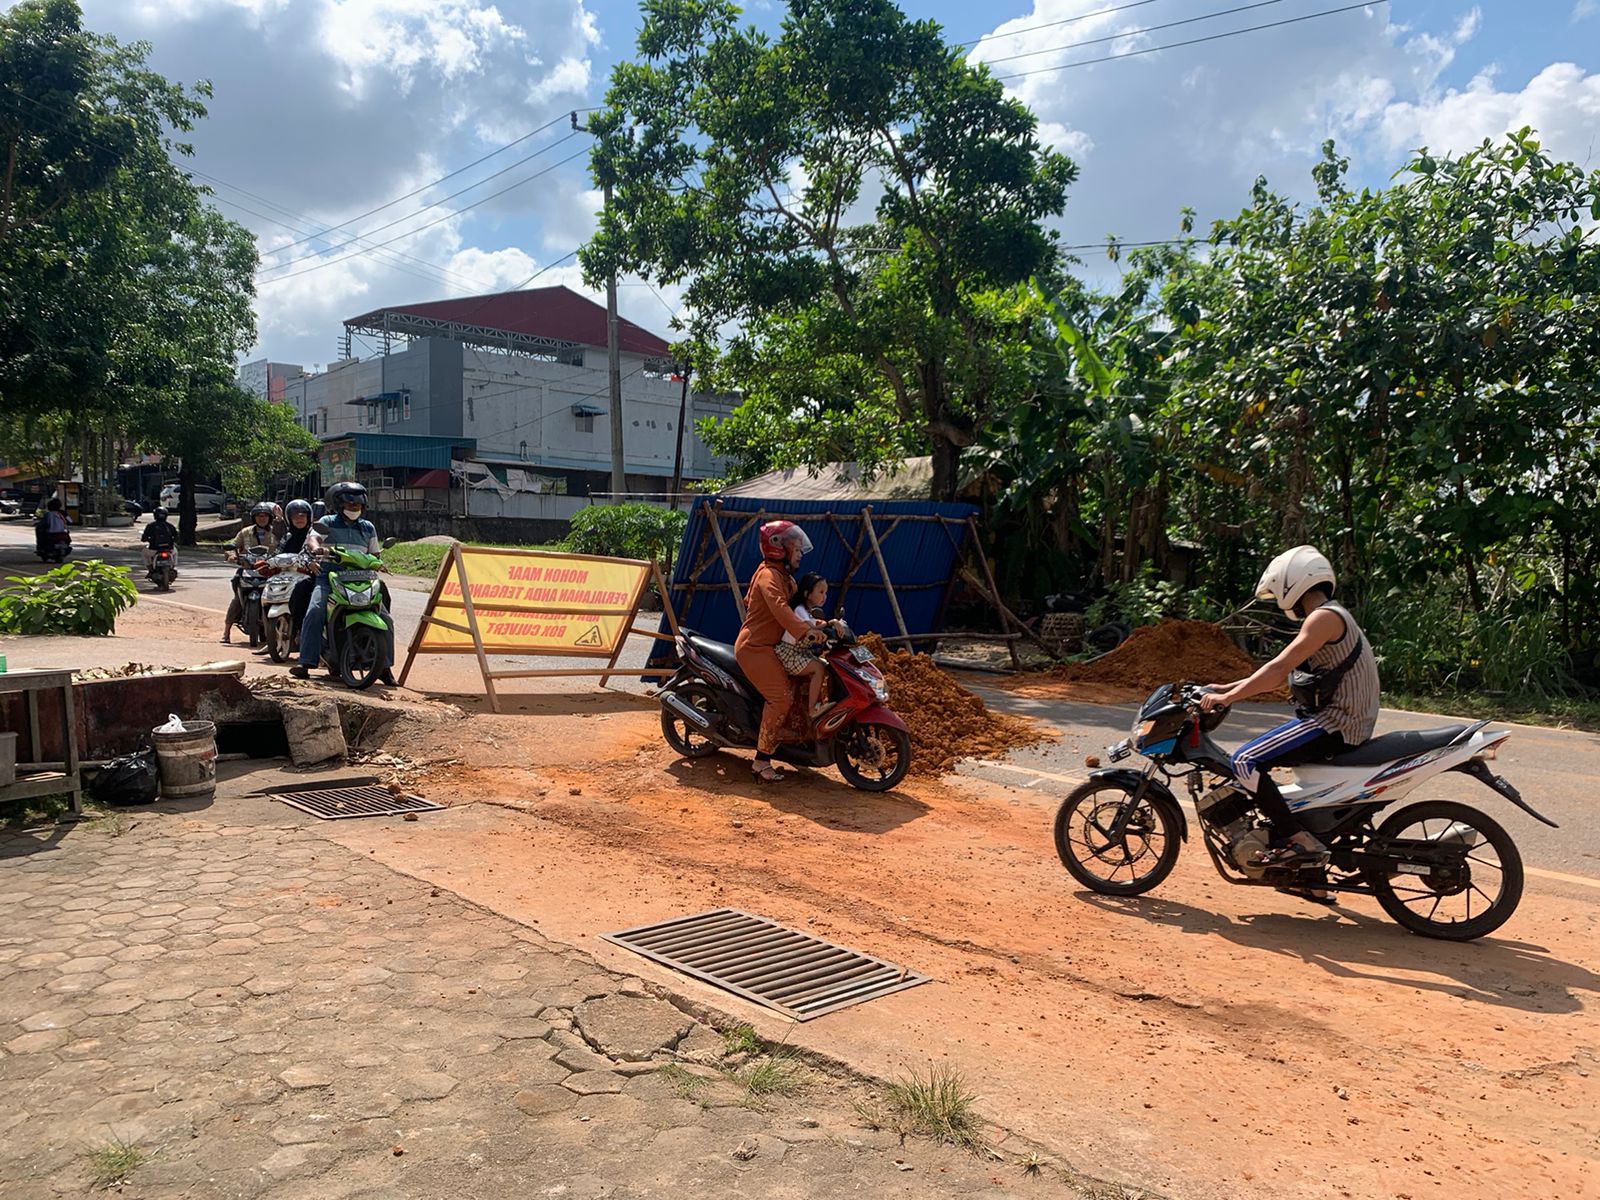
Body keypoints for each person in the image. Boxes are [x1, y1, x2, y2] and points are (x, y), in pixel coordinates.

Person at [1200, 545, 1380, 867]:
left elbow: (1277, 670)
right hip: (1345, 720)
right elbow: (1281, 668)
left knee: (1244, 761)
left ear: (1293, 583)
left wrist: (1228, 698)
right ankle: (1312, 879)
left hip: (1336, 723)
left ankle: (1295, 840)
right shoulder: (1331, 615)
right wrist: (1228, 687)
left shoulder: (1323, 618)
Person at [734, 521, 826, 784]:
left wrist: (824, 626)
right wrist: (805, 632)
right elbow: (780, 610)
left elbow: (798, 612)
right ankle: (761, 761)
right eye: (796, 550)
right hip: (756, 648)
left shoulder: (786, 578)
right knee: (781, 699)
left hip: (774, 647)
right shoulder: (768, 576)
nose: (799, 555)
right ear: (779, 548)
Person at [291, 482, 395, 686]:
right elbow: (313, 540)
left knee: (385, 618)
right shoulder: (326, 522)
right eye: (351, 506)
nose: (355, 510)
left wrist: (378, 562)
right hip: (330, 577)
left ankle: (384, 667)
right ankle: (306, 662)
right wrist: (317, 549)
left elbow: (374, 554)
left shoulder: (368, 527)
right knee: (315, 610)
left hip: (362, 579)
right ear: (339, 505)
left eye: (358, 507)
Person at [776, 572, 844, 720]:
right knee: (818, 669)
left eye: (826, 592)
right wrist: (831, 623)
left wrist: (833, 623)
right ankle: (813, 709)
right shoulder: (800, 610)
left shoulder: (810, 612)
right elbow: (810, 626)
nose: (824, 596)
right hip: (790, 654)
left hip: (801, 652)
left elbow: (817, 622)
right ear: (807, 594)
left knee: (827, 665)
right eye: (821, 592)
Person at [222, 502, 280, 644]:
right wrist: (232, 556)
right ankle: (226, 631)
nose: (262, 519)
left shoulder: (276, 533)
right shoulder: (245, 532)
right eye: (259, 516)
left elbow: (283, 547)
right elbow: (232, 545)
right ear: (254, 518)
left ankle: (277, 633)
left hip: (268, 571)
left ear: (270, 518)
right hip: (247, 569)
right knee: (237, 599)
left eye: (265, 516)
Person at [139, 507, 178, 575]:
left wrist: (145, 539)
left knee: (144, 553)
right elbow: (176, 536)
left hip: (153, 550)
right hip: (169, 549)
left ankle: (150, 568)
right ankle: (173, 567)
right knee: (175, 552)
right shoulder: (170, 526)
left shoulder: (151, 526)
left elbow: (144, 537)